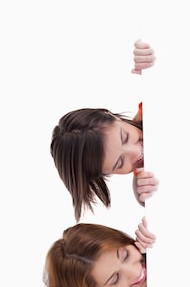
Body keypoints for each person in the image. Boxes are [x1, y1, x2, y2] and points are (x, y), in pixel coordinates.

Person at [50, 39, 159, 221]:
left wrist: (153, 67)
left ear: (110, 115)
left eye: (125, 137)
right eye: (120, 163)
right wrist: (142, 193)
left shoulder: (150, 108)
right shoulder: (143, 170)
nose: (136, 151)